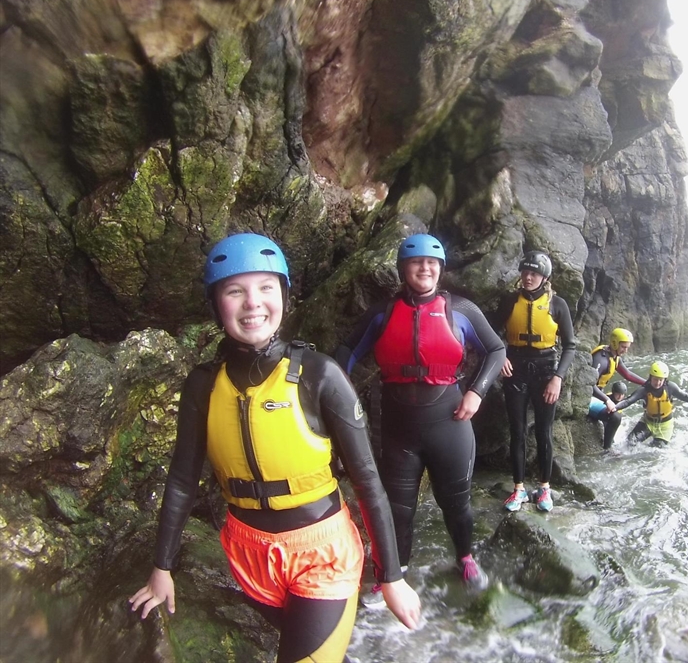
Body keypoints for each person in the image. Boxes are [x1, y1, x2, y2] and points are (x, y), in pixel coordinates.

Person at [129, 233, 420, 663]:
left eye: (266, 288)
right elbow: (181, 480)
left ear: (283, 296)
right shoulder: (203, 384)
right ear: (216, 304)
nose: (253, 303)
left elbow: (369, 482)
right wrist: (162, 569)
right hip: (246, 553)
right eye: (235, 291)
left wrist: (390, 577)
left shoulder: (320, 375)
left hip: (321, 556)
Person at [335, 234, 506, 600]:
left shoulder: (461, 310)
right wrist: (336, 388)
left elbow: (496, 349)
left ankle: (464, 556)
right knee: (397, 509)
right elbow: (347, 350)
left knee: (456, 502)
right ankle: (394, 574)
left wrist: (477, 392)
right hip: (398, 427)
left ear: (440, 270)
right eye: (416, 263)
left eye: (432, 263)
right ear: (403, 269)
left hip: (450, 422)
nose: (425, 268)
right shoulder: (381, 314)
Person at [487, 251, 576, 512]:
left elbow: (570, 345)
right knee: (517, 430)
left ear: (544, 277)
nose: (528, 277)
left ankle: (544, 488)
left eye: (533, 273)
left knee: (543, 432)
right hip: (516, 369)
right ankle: (518, 489)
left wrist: (557, 378)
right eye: (525, 272)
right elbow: (491, 331)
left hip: (545, 371)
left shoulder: (557, 304)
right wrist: (500, 354)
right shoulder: (509, 301)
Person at [615, 360, 688, 447]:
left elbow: (685, 396)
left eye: (660, 380)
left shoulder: (670, 387)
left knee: (653, 452)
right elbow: (629, 400)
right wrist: (615, 407)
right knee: (629, 443)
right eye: (655, 379)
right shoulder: (644, 390)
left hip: (665, 425)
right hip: (648, 422)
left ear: (665, 380)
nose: (657, 382)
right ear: (650, 377)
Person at [589, 327, 646, 415]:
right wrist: (607, 400)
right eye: (623, 347)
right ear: (615, 343)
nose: (625, 351)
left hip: (597, 394)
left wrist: (647, 383)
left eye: (627, 348)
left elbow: (627, 374)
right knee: (615, 417)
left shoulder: (614, 357)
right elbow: (590, 384)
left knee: (617, 405)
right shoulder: (601, 359)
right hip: (589, 396)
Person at [588, 380, 627, 449]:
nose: (620, 397)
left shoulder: (623, 401)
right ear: (613, 392)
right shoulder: (607, 398)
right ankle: (608, 448)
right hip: (604, 417)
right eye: (618, 394)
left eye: (622, 394)